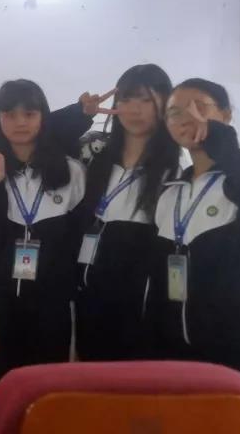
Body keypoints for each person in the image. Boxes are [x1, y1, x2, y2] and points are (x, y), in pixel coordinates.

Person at [149, 78, 240, 433]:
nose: (186, 117)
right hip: (181, 349)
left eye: (199, 107)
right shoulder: (169, 192)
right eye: (174, 112)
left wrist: (217, 138)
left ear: (225, 114)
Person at [0, 79, 116, 390]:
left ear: (43, 117)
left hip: (53, 303)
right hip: (0, 302)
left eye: (29, 114)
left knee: (50, 389)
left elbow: (81, 239)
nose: (20, 122)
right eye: (9, 114)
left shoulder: (71, 171)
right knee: (2, 387)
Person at [75, 64, 180, 361]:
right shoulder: (93, 151)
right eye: (127, 99)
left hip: (138, 305)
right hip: (85, 296)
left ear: (165, 104)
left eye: (146, 100)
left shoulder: (174, 170)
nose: (135, 109)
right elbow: (44, 142)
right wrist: (80, 115)